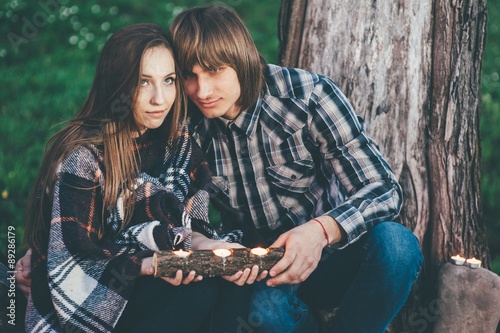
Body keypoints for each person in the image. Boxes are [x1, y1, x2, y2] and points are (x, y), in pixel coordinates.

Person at [168, 5, 424, 332]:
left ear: (241, 57)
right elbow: (181, 218)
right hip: (268, 268)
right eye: (190, 75)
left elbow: (383, 189)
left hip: (337, 252)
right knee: (265, 311)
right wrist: (209, 243)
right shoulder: (186, 127)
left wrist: (320, 231)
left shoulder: (307, 95)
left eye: (215, 70)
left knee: (398, 247)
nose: (202, 91)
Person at [21, 22, 251, 333]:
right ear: (117, 84)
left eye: (168, 80)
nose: (160, 99)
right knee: (196, 292)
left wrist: (208, 245)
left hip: (152, 281)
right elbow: (74, 259)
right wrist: (151, 265)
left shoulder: (178, 143)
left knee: (229, 279)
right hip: (99, 292)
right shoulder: (84, 156)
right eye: (143, 82)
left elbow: (190, 227)